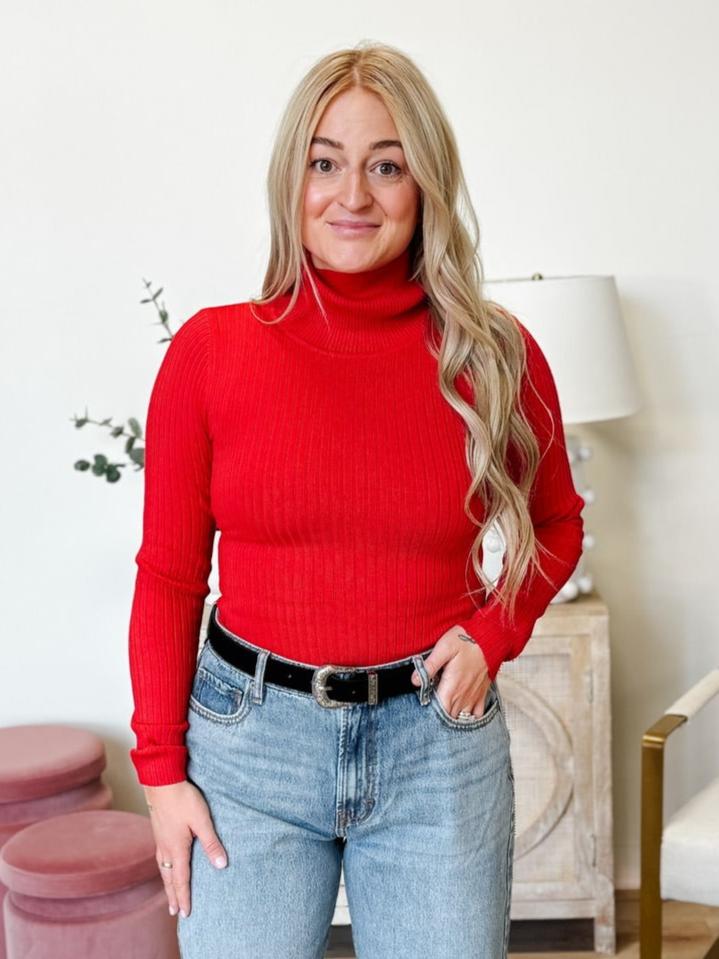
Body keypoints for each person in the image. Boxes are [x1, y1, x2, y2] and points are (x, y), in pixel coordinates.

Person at [128, 41, 585, 959]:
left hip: (437, 749)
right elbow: (171, 577)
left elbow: (555, 525)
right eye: (324, 162)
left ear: (425, 185)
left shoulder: (496, 355)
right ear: (289, 179)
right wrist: (160, 773)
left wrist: (494, 632)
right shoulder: (211, 356)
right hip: (247, 750)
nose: (353, 196)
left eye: (386, 165)